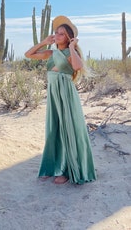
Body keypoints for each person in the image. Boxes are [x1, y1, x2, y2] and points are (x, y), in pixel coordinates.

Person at [25, 15, 96, 185]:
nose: (57, 36)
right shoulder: (51, 53)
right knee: (54, 129)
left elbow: (78, 67)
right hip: (54, 93)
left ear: (69, 37)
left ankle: (65, 170)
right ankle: (54, 167)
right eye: (56, 33)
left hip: (66, 93)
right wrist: (44, 42)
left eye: (62, 34)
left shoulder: (69, 53)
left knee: (67, 129)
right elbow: (29, 54)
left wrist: (72, 46)